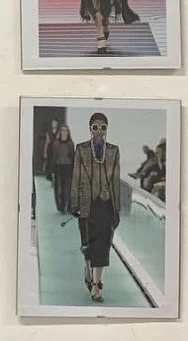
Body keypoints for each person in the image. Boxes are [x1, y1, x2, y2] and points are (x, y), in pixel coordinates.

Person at [70, 113, 121, 302]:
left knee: (103, 246)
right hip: (86, 204)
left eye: (103, 127)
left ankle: (97, 286)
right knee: (88, 243)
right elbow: (76, 175)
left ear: (107, 129)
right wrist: (74, 202)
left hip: (106, 205)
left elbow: (116, 179)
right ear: (90, 129)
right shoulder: (81, 149)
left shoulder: (114, 151)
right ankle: (87, 267)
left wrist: (117, 207)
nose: (99, 130)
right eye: (95, 127)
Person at [51, 125, 75, 213]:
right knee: (59, 188)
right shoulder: (56, 143)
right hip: (58, 167)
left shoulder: (71, 144)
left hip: (68, 167)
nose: (64, 132)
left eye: (66, 131)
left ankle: (67, 206)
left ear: (68, 132)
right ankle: (60, 206)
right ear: (60, 132)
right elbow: (53, 157)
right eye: (62, 130)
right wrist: (52, 170)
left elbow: (73, 157)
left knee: (67, 188)